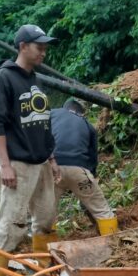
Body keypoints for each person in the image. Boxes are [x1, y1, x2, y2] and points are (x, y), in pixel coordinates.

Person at [0, 24, 60, 276]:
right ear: (22, 46)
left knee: (45, 218)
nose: (43, 51)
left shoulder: (35, 80)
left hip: (40, 162)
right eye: (38, 46)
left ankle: (44, 272)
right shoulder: (4, 78)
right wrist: (4, 164)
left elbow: (44, 122)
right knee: (11, 223)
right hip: (18, 163)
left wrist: (51, 159)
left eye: (44, 46)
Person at [51, 98, 117, 235]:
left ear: (64, 107)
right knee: (102, 210)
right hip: (79, 169)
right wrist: (90, 179)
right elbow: (93, 158)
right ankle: (115, 244)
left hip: (51, 168)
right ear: (82, 113)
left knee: (45, 215)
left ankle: (44, 253)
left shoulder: (52, 113)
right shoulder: (88, 125)